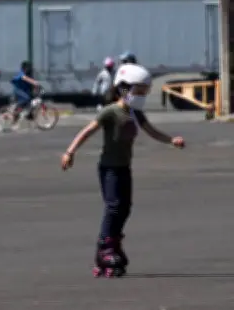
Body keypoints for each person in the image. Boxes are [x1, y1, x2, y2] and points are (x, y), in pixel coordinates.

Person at [60, 63, 185, 278]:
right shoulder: (111, 112)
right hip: (109, 168)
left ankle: (114, 242)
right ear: (124, 88)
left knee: (125, 207)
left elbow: (151, 131)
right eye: (138, 90)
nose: (141, 95)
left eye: (144, 91)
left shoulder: (136, 113)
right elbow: (88, 131)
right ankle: (105, 246)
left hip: (124, 167)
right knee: (114, 206)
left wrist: (171, 140)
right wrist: (70, 152)